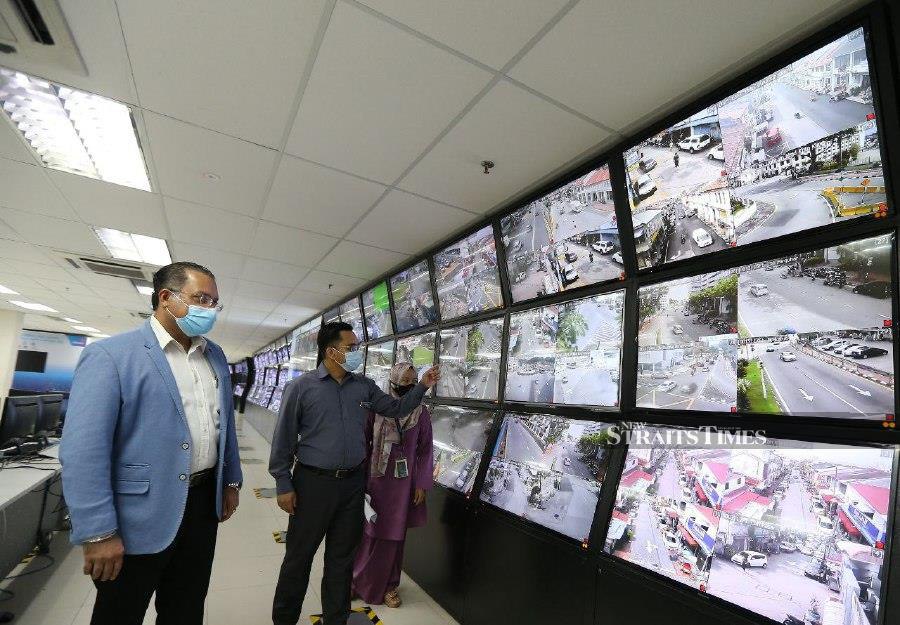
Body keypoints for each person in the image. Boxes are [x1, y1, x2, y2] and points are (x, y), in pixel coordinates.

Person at [60, 262, 242, 625]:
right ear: (166, 298)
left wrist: (231, 480)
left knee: (185, 609)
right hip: (136, 516)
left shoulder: (215, 356)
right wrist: (98, 531)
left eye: (215, 303)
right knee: (120, 613)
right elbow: (83, 452)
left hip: (202, 506)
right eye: (200, 298)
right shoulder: (113, 356)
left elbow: (224, 426)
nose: (209, 309)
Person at [270, 322, 439, 625]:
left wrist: (422, 386)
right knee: (299, 557)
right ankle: (284, 619)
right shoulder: (301, 388)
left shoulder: (363, 387)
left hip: (352, 485)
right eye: (351, 347)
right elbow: (283, 439)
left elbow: (397, 408)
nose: (356, 353)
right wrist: (283, 482)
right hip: (312, 484)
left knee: (341, 560)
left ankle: (336, 619)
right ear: (330, 350)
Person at [352, 363, 434, 608]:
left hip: (403, 485)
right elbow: (363, 443)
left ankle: (389, 586)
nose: (408, 384)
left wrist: (421, 483)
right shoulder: (376, 409)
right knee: (368, 533)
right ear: (393, 380)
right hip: (375, 481)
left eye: (413, 380)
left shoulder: (421, 413)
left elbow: (425, 450)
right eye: (404, 379)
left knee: (394, 538)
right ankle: (356, 581)